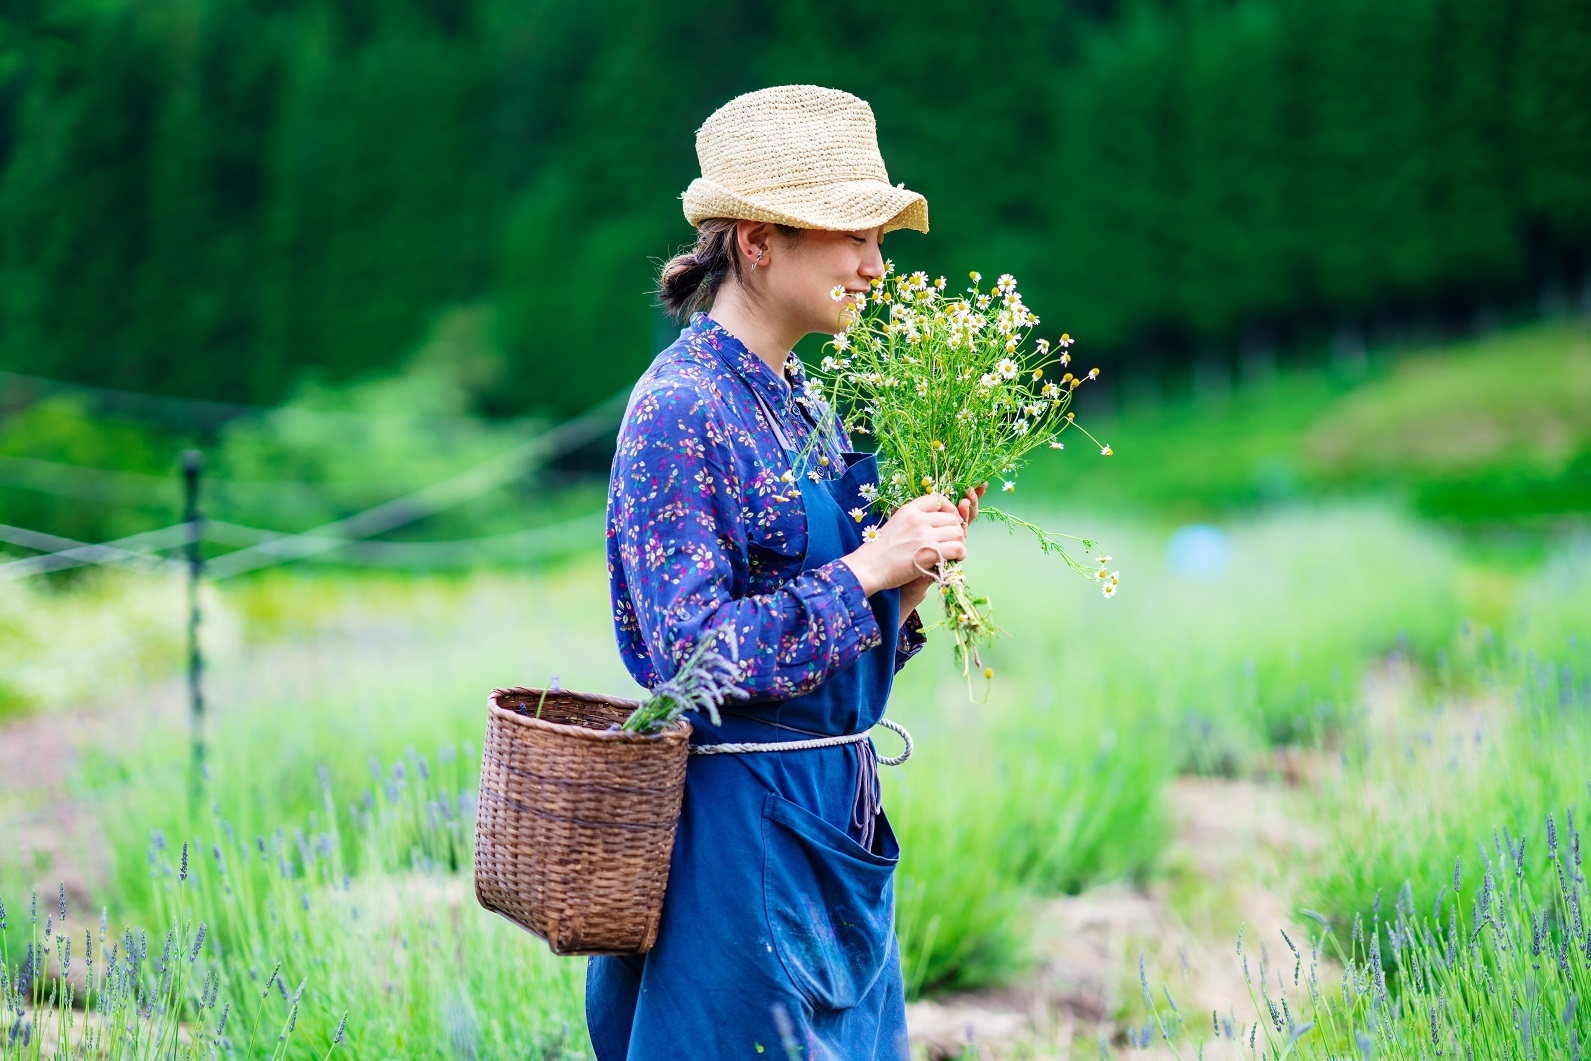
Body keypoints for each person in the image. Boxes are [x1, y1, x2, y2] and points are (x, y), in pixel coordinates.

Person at [587, 84, 984, 1060]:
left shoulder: (798, 397)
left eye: (878, 240)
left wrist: (905, 583)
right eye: (854, 237)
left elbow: (824, 654)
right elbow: (689, 661)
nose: (875, 266)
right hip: (732, 837)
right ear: (758, 242)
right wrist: (865, 568)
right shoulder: (681, 407)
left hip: (829, 814)